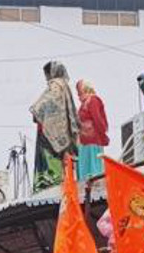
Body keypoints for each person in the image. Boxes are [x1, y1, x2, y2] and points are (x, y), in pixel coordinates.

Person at [30, 61, 79, 189]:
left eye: (46, 74)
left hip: (50, 129)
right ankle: (57, 179)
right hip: (60, 128)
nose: (46, 77)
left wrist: (37, 111)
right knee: (60, 156)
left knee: (50, 155)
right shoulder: (65, 85)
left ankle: (50, 181)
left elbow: (45, 104)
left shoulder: (55, 85)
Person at [75, 79, 108, 181]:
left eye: (79, 91)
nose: (78, 94)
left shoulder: (93, 100)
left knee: (93, 168)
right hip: (84, 142)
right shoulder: (84, 103)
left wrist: (102, 136)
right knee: (86, 169)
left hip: (92, 141)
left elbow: (98, 119)